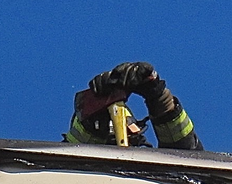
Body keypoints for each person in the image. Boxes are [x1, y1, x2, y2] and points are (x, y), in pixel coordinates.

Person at [64, 62, 203, 151]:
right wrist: (92, 118)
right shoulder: (65, 174)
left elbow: (187, 156)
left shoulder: (160, 175)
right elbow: (68, 156)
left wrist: (158, 96)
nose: (133, 133)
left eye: (133, 129)